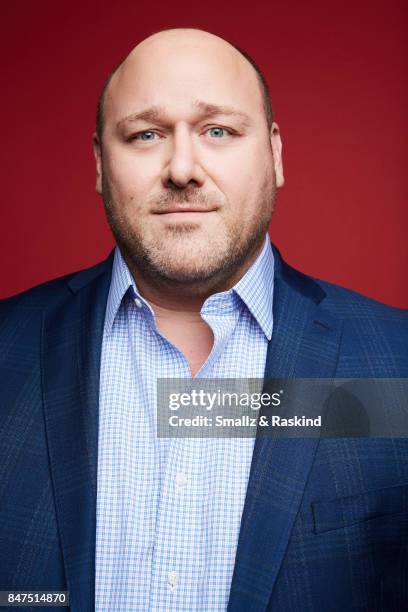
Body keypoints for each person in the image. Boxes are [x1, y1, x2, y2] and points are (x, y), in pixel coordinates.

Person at [0, 27, 407, 612]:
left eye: (218, 131)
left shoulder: (398, 363)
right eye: (145, 134)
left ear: (275, 154)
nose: (183, 168)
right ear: (98, 163)